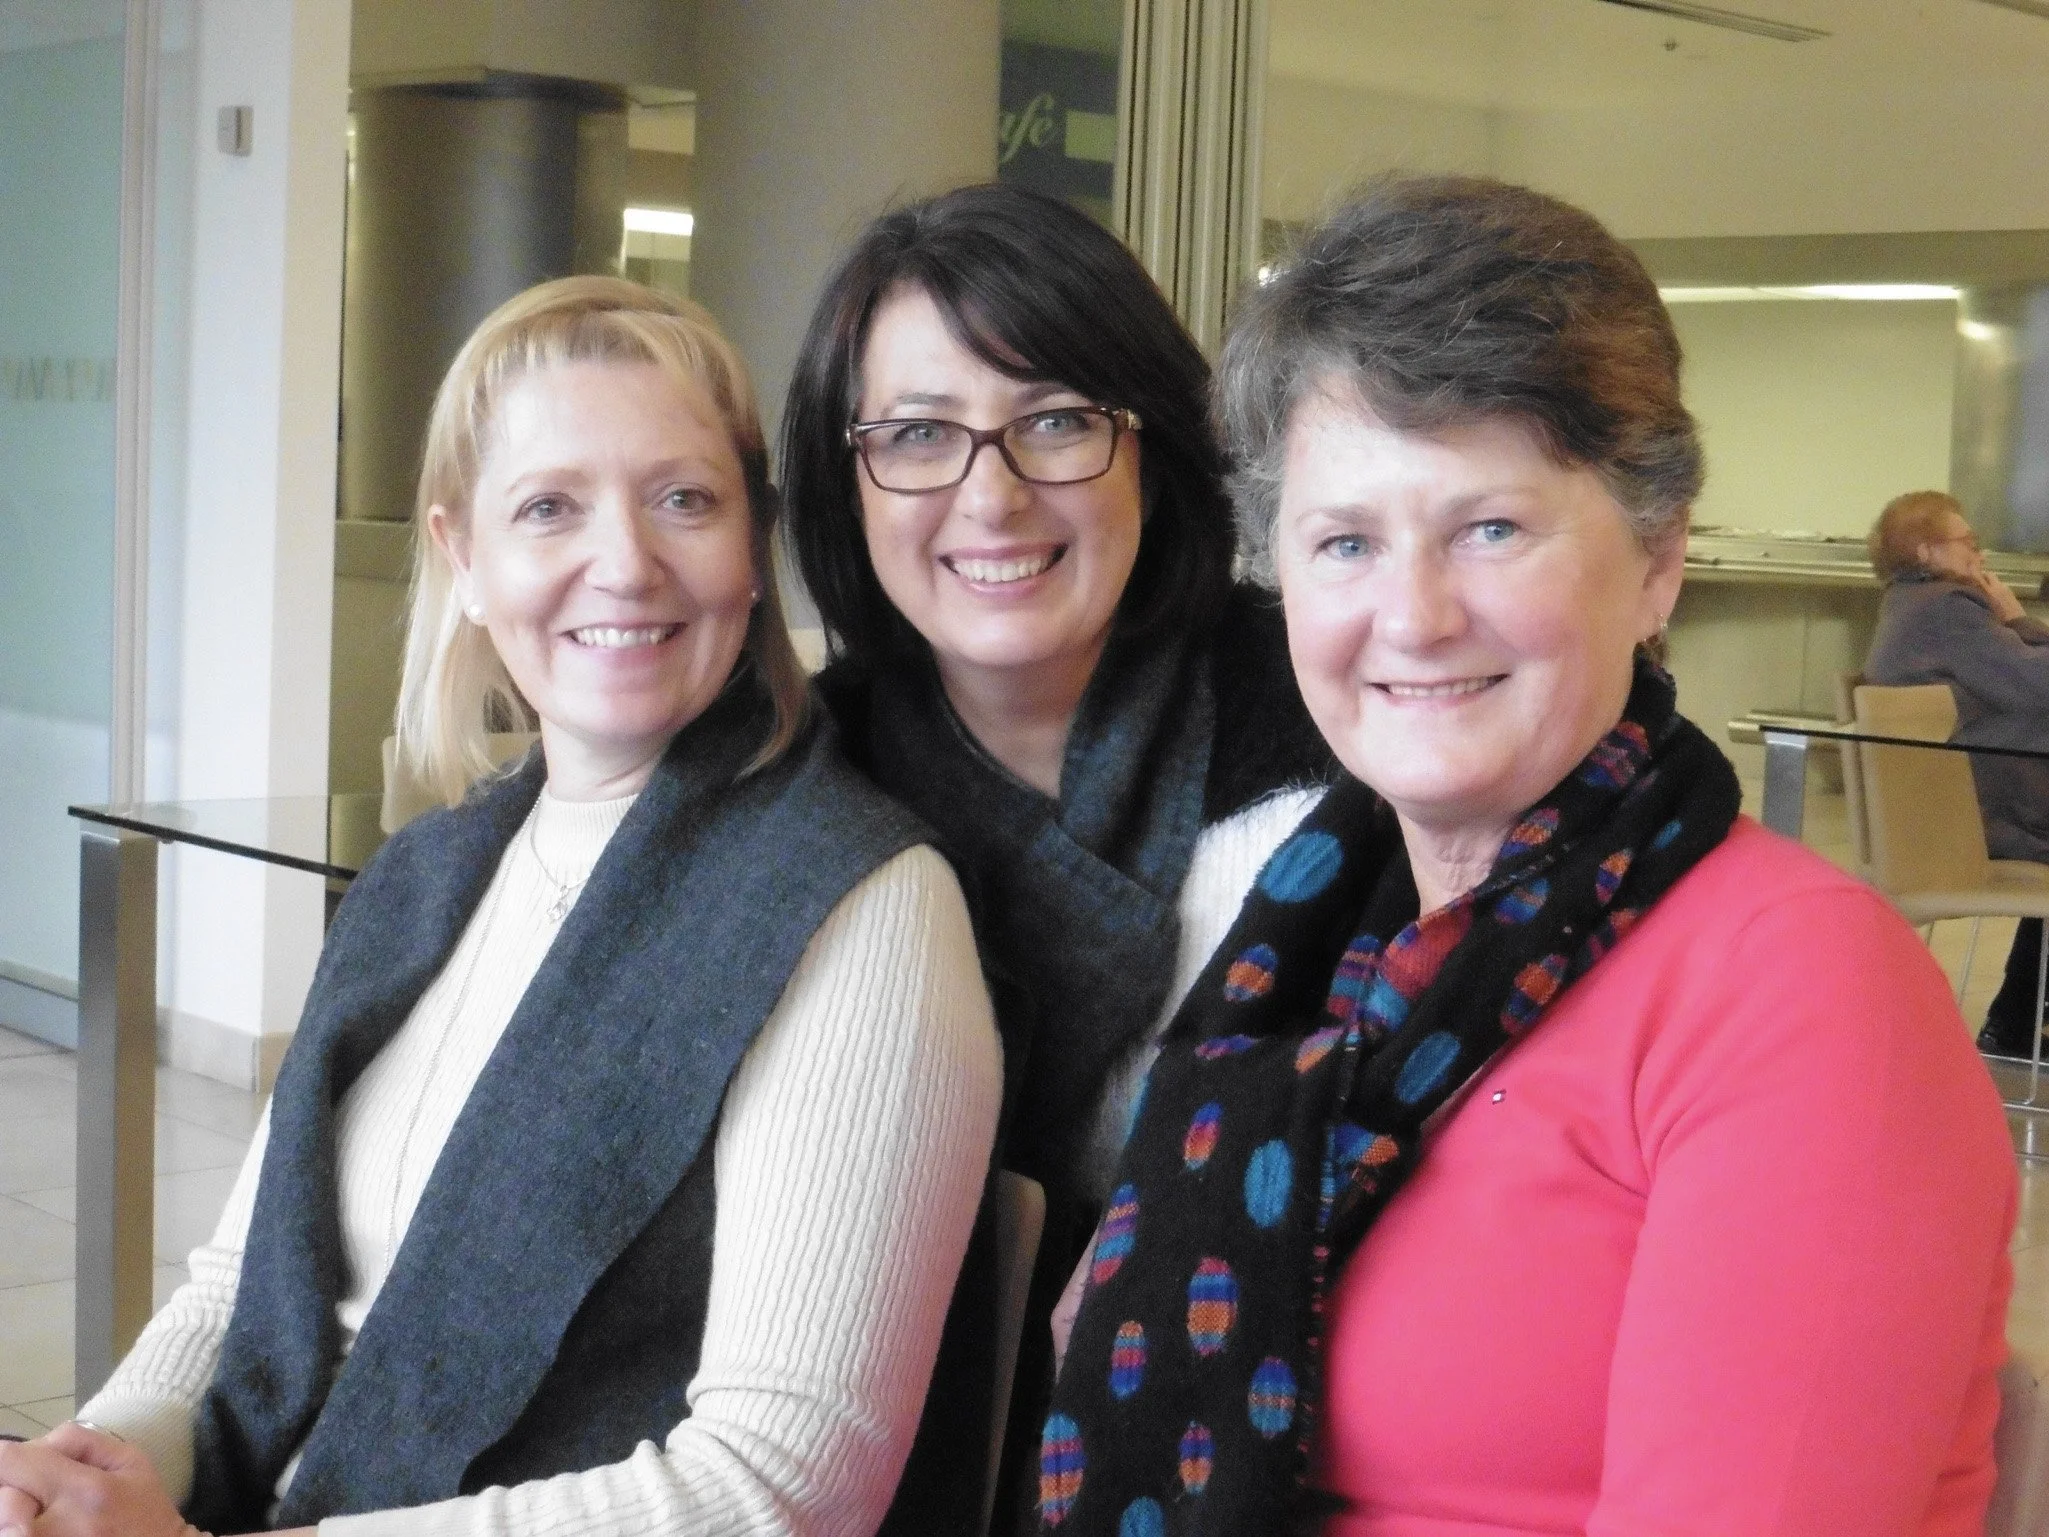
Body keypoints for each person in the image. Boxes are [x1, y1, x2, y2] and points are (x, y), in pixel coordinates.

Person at [1042, 178, 2016, 1537]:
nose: (1414, 615)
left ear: (1657, 558)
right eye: (1345, 542)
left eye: (1489, 527)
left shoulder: (1798, 993)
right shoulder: (1311, 955)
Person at [0, 277, 1001, 1537]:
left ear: (753, 550)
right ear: (464, 560)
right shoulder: (430, 873)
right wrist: (81, 1472)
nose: (624, 563)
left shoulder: (862, 907)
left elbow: (779, 1490)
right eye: (549, 508)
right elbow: (234, 1291)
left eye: (684, 500)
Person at [779, 182, 1334, 1525]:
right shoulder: (801, 796)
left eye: (1055, 422)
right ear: (846, 480)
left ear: (1152, 445)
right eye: (918, 434)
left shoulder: (1338, 731)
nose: (993, 494)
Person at [1865, 488, 2049, 1059]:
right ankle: (2017, 1023)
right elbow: (2037, 686)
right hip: (1970, 820)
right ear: (1928, 551)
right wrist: (2019, 619)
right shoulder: (1946, 609)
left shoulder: (1911, 606)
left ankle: (2017, 1021)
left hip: (1955, 808)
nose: (1980, 554)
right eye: (1968, 542)